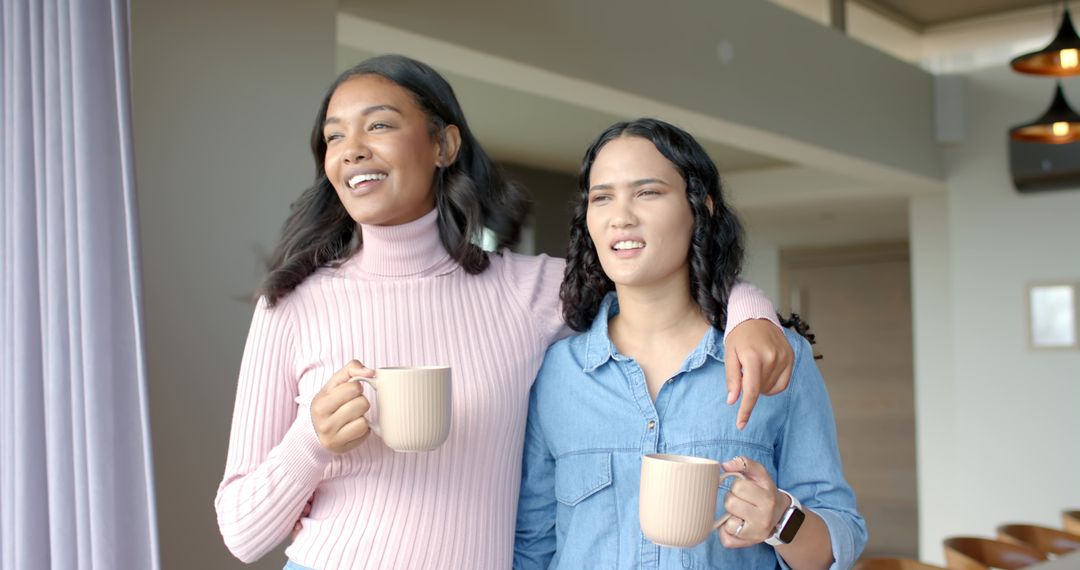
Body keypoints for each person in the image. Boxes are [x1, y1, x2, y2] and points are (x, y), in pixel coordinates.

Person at [214, 55, 793, 570]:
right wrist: (310, 442)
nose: (352, 149)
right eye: (334, 136)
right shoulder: (291, 305)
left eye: (380, 125)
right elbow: (242, 533)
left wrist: (751, 316)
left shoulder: (527, 290)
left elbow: (662, 284)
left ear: (444, 145)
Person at [514, 118, 866, 570]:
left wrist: (781, 519)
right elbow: (533, 546)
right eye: (602, 197)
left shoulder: (776, 359)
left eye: (648, 192)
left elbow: (841, 538)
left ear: (701, 208)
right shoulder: (557, 373)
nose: (621, 215)